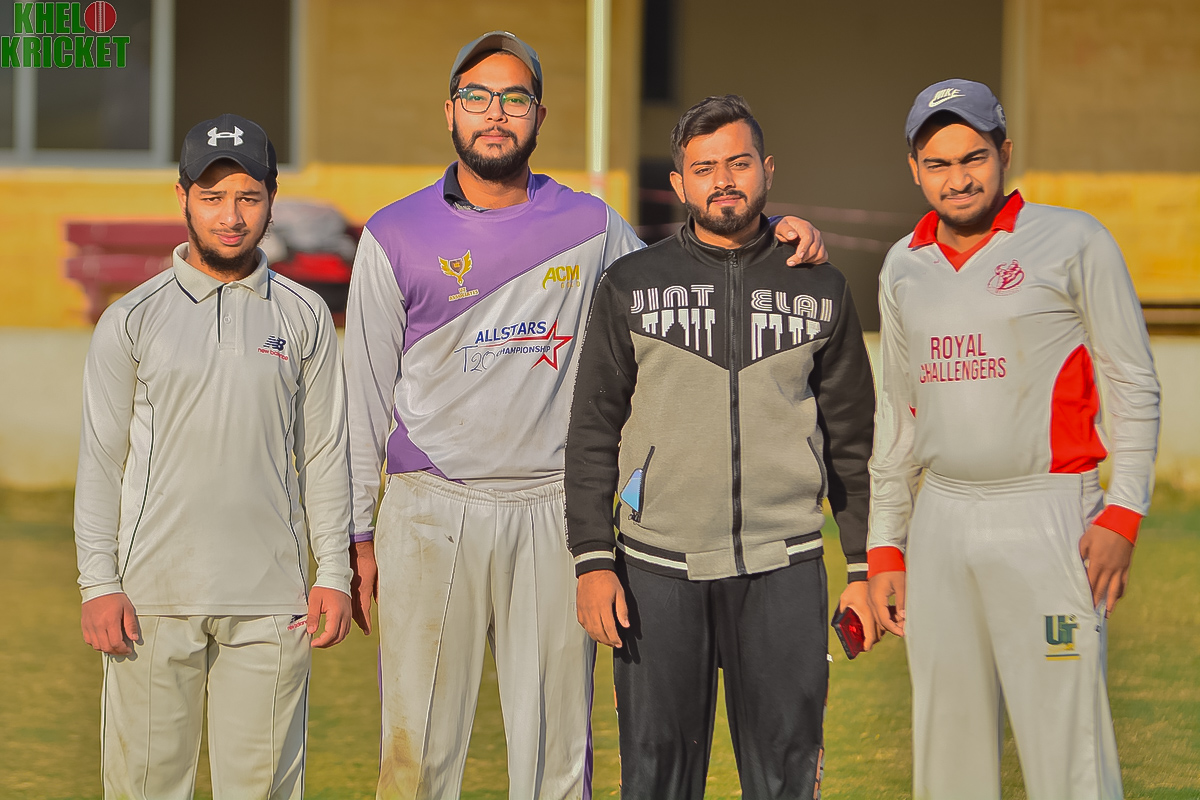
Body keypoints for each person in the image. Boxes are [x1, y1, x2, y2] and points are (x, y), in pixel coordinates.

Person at [343, 33, 829, 800]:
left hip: (553, 512)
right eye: (477, 97)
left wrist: (771, 240)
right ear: (450, 111)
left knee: (557, 759)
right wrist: (356, 534)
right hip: (430, 511)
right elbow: (363, 396)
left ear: (539, 116)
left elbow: (683, 277)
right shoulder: (392, 233)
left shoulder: (594, 227)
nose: (495, 113)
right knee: (417, 760)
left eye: (515, 98)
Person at [565, 94, 878, 799]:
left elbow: (852, 442)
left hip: (783, 567)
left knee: (787, 778)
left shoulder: (819, 285)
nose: (723, 181)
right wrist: (592, 559)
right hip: (655, 571)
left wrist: (861, 565)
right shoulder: (631, 284)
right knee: (657, 780)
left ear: (767, 169)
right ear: (679, 183)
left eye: (739, 163)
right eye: (704, 169)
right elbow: (591, 432)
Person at [866, 79, 1161, 800]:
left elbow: (1132, 382)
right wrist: (885, 545)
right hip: (942, 517)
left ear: (1004, 152)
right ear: (914, 169)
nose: (958, 179)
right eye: (938, 164)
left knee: (1068, 747)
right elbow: (898, 413)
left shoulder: (1075, 240)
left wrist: (1124, 511)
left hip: (1048, 511)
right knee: (948, 746)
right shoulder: (903, 264)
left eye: (973, 157)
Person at [74, 113, 353, 800]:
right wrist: (97, 584)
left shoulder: (305, 316)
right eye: (213, 197)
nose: (231, 217)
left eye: (249, 197)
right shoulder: (132, 318)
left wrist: (335, 574)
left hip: (272, 602)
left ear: (272, 198)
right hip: (150, 600)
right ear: (183, 198)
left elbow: (324, 452)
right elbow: (102, 459)